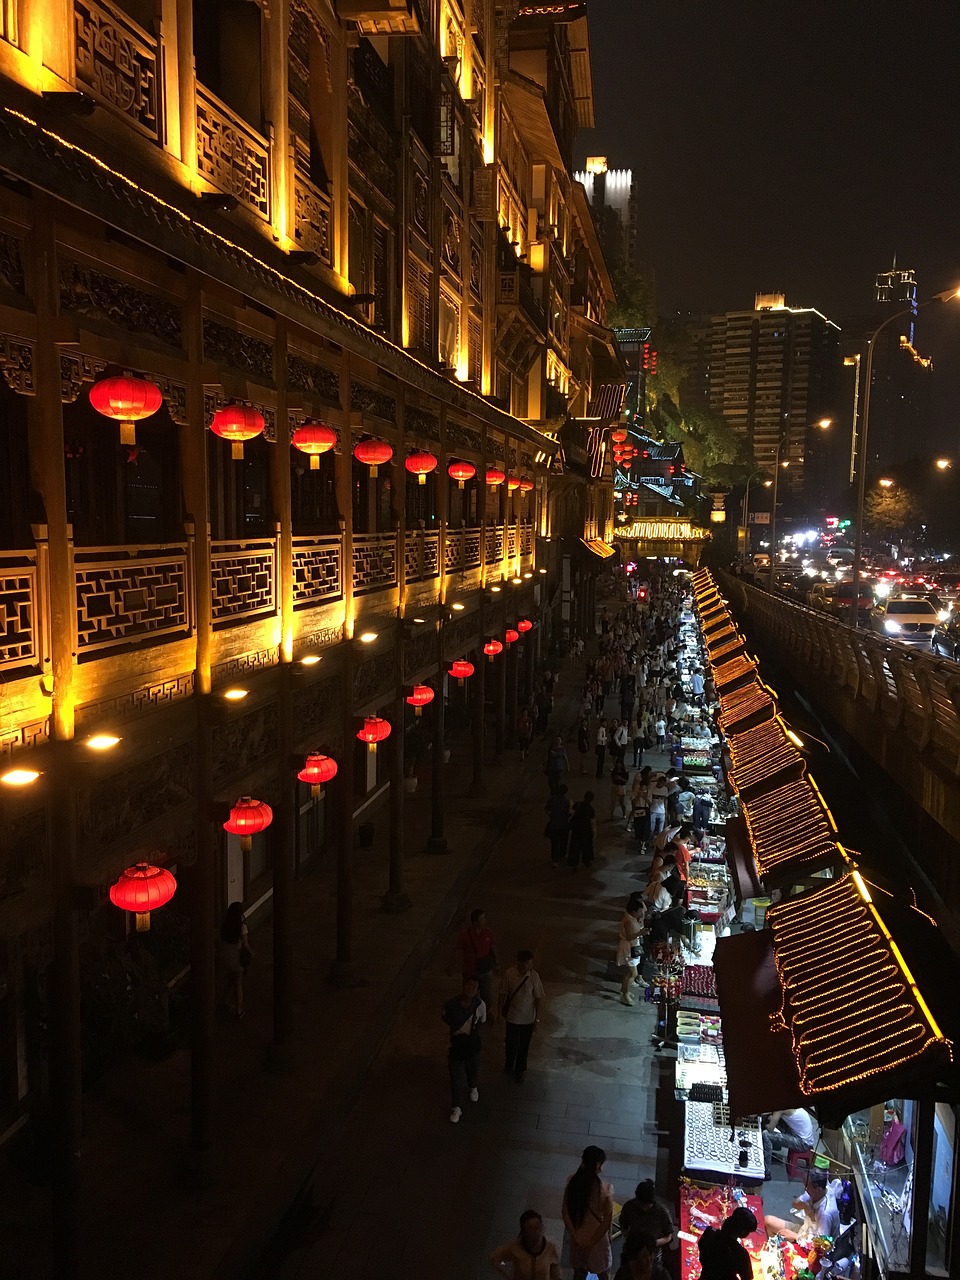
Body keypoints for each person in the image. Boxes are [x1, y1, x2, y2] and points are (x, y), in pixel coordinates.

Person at [562, 1145, 614, 1280]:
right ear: (598, 1165)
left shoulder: (572, 1182)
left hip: (577, 1238)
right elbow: (606, 1221)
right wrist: (591, 1242)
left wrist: (574, 1235)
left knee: (579, 1272)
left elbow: (565, 1213)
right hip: (597, 1242)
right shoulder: (606, 1190)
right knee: (603, 1273)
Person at [442, 975, 486, 1123]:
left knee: (472, 1068)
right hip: (457, 1045)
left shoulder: (480, 1005)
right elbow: (446, 1018)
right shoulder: (452, 1004)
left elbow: (481, 1021)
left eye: (474, 987)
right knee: (455, 1076)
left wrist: (473, 1036)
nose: (470, 989)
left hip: (472, 1044)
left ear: (477, 990)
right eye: (468, 985)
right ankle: (457, 1107)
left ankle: (473, 1086)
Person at [500, 949, 545, 1082]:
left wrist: (537, 1018)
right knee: (511, 1044)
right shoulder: (509, 974)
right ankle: (509, 1063)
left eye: (531, 964)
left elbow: (538, 999)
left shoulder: (534, 976)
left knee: (524, 1045)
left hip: (528, 1019)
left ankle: (520, 1070)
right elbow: (502, 993)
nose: (529, 967)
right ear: (519, 962)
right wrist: (499, 1013)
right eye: (527, 964)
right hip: (513, 1017)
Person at [764, 1168, 840, 1244]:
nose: (805, 1189)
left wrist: (795, 1236)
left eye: (807, 1187)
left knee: (786, 1236)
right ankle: (774, 1248)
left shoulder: (825, 1213)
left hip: (814, 1243)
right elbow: (795, 1204)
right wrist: (805, 1206)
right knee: (768, 1221)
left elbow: (821, 1246)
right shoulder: (816, 1191)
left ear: (818, 1189)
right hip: (805, 1230)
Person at [453, 908, 497, 1019]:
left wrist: (496, 963)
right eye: (482, 919)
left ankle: (486, 1012)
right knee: (469, 994)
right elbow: (459, 950)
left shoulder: (488, 932)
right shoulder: (465, 935)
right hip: (470, 970)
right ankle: (470, 1014)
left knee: (487, 994)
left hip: (485, 970)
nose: (484, 921)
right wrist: (452, 965)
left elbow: (492, 948)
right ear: (475, 922)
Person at [491, 1210, 561, 1280]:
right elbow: (495, 1258)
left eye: (538, 1227)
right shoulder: (515, 1247)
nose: (536, 1233)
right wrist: (507, 1273)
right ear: (524, 1232)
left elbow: (556, 1275)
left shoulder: (551, 1247)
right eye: (530, 1230)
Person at [697, 1206, 757, 1280]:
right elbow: (747, 1277)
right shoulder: (740, 1254)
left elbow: (702, 1251)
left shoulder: (710, 1233)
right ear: (743, 1232)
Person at [618, 1180, 675, 1257]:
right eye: (641, 1204)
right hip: (632, 1251)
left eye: (647, 1205)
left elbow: (668, 1236)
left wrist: (652, 1243)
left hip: (653, 1253)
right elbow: (623, 1225)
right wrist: (630, 1239)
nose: (644, 1208)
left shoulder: (662, 1212)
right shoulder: (629, 1207)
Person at [762, 1108, 817, 1179]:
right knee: (776, 1121)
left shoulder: (779, 1109)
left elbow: (770, 1129)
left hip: (803, 1144)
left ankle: (767, 1172)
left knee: (766, 1134)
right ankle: (771, 1152)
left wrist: (766, 1124)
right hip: (803, 1139)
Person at [220, 901, 250, 1018]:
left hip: (225, 956)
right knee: (238, 984)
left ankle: (224, 1000)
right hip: (236, 958)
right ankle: (239, 1009)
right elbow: (245, 945)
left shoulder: (225, 925)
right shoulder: (241, 927)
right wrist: (251, 953)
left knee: (229, 980)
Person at [616, 892, 646, 1005]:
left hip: (632, 947)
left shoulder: (632, 918)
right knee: (633, 973)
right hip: (629, 948)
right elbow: (629, 936)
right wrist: (640, 933)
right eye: (640, 911)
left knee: (629, 972)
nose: (642, 912)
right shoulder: (628, 921)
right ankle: (625, 994)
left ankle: (624, 990)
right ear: (634, 911)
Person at [568, 791, 597, 870]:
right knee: (586, 847)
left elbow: (570, 812)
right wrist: (594, 833)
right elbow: (592, 823)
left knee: (575, 847)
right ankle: (586, 861)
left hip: (577, 829)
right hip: (586, 830)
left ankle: (574, 864)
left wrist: (571, 804)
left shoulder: (578, 804)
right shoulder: (591, 809)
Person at [544, 784, 571, 866]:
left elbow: (546, 809)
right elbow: (568, 813)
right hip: (564, 825)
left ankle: (555, 859)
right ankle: (562, 856)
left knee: (554, 843)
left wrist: (551, 816)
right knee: (563, 841)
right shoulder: (566, 802)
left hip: (554, 824)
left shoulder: (551, 800)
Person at [610, 757, 629, 821]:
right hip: (615, 786)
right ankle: (611, 815)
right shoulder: (614, 771)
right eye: (617, 764)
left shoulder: (625, 772)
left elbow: (626, 781)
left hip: (621, 787)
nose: (618, 765)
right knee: (613, 801)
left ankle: (624, 813)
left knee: (621, 802)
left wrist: (620, 778)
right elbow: (612, 778)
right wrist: (615, 778)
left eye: (620, 764)